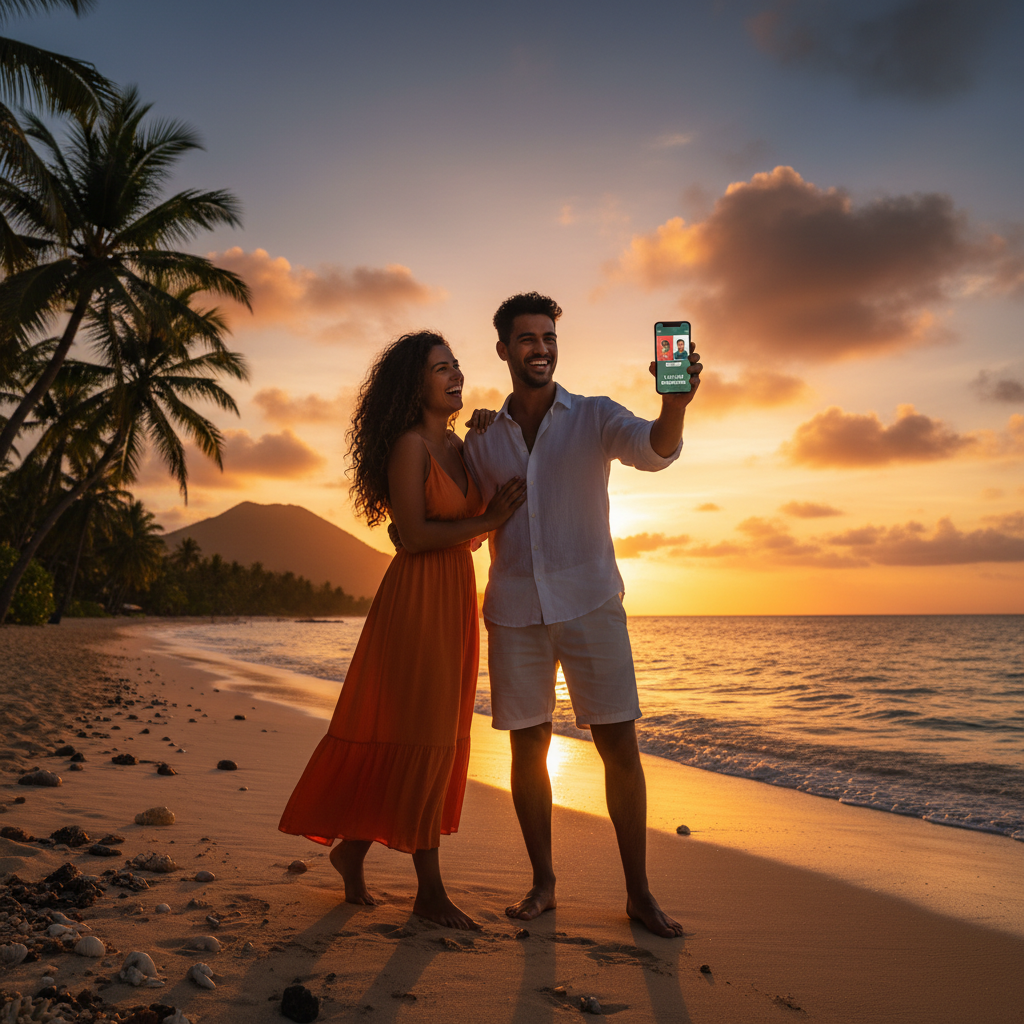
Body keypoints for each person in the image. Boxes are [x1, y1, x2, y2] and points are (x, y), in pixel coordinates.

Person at [462, 293, 702, 938]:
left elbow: (654, 450)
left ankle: (639, 895)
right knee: (527, 746)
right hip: (514, 608)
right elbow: (464, 515)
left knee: (618, 744)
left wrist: (673, 404)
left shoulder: (594, 416)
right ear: (504, 349)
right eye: (526, 338)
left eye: (548, 338)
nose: (540, 348)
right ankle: (543, 882)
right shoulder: (483, 436)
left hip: (592, 601)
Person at [278, 331, 526, 931]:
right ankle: (430, 893)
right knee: (421, 734)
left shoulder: (462, 449)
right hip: (415, 601)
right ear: (414, 384)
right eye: (441, 368)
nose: (455, 375)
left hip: (454, 600)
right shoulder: (410, 446)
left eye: (456, 366)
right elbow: (412, 536)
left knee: (431, 732)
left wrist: (491, 432)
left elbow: (465, 526)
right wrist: (491, 518)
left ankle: (352, 851)